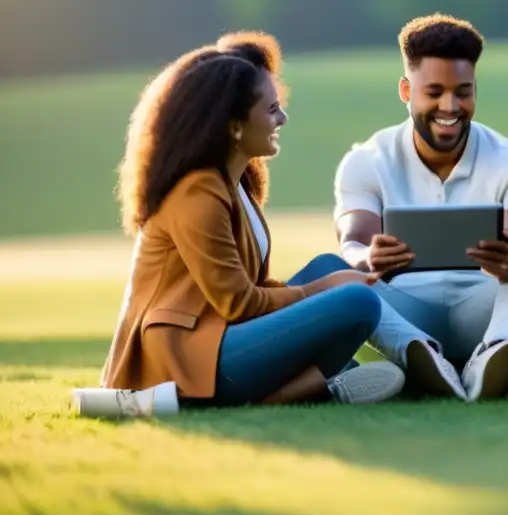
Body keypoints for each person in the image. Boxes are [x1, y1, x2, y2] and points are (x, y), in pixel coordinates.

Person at [99, 32, 406, 411]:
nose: (283, 118)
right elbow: (240, 303)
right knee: (357, 302)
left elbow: (251, 291)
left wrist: (325, 284)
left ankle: (323, 381)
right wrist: (323, 290)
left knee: (331, 266)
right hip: (184, 361)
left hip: (220, 337)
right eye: (272, 108)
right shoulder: (197, 192)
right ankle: (297, 389)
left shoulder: (237, 181)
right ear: (234, 126)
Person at [333, 13, 508, 402]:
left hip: (484, 310)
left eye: (463, 92)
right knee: (333, 271)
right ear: (405, 90)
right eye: (434, 92)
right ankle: (417, 353)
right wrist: (369, 257)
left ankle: (493, 356)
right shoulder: (366, 161)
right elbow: (352, 241)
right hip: (401, 310)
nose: (449, 107)